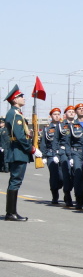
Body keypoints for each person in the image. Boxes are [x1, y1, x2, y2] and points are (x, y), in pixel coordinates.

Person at [4, 85, 43, 221]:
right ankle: (11, 213)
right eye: (21, 96)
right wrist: (32, 149)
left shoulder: (16, 113)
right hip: (18, 151)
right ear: (15, 99)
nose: (24, 98)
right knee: (15, 181)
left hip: (18, 151)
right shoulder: (14, 114)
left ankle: (11, 212)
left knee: (16, 181)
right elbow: (19, 136)